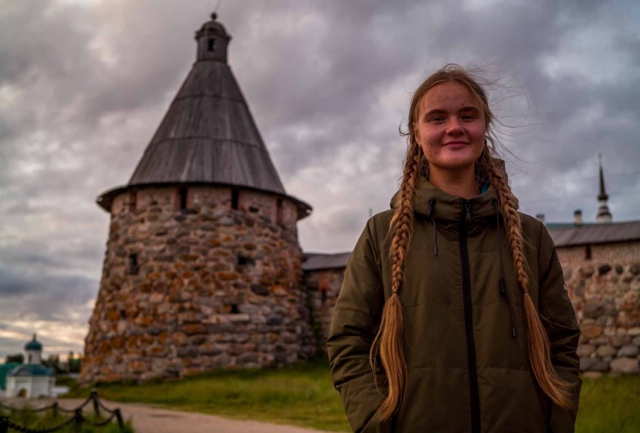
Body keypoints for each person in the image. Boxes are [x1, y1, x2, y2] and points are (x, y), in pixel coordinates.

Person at [326, 65, 581, 433]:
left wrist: (556, 421)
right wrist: (376, 422)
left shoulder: (531, 235)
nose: (454, 127)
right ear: (416, 133)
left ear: (484, 127)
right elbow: (349, 341)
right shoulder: (381, 233)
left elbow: (562, 342)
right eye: (437, 117)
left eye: (468, 115)